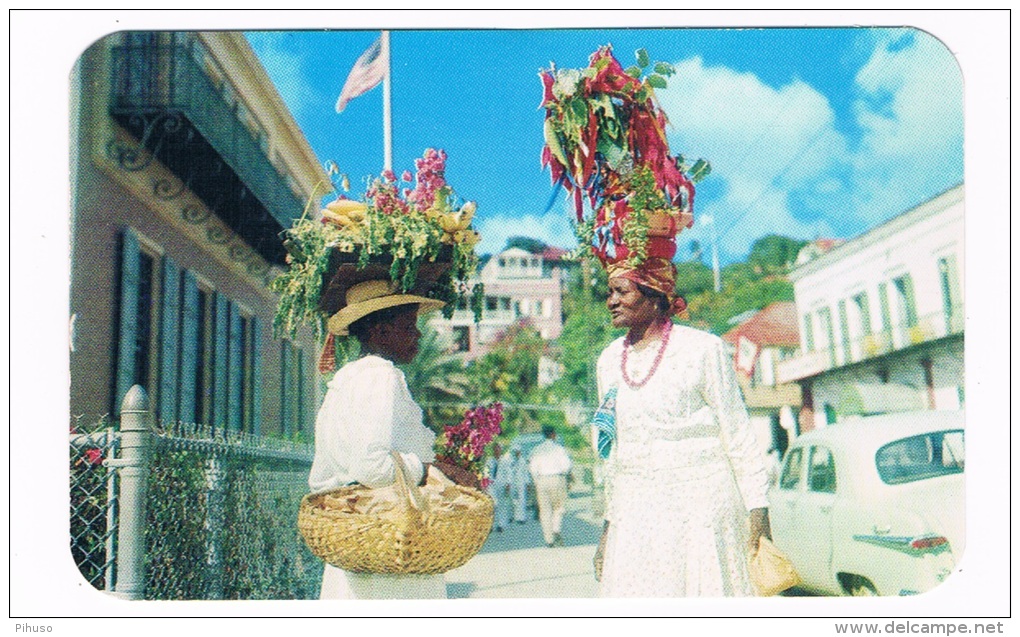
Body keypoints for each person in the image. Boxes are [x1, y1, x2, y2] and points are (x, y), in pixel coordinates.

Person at [591, 259, 772, 597]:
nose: (611, 300)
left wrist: (758, 508)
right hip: (636, 513)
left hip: (700, 511)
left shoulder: (702, 349)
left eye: (621, 291)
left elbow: (737, 432)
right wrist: (608, 529)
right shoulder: (608, 360)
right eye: (609, 292)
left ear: (654, 296)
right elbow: (614, 452)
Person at [308, 279, 479, 600]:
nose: (417, 335)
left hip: (358, 546)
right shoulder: (380, 375)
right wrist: (430, 470)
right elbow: (371, 467)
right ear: (381, 332)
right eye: (408, 326)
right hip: (388, 548)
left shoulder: (345, 381)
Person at [528, 426, 573, 547]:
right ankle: (556, 529)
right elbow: (567, 465)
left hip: (542, 480)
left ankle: (549, 539)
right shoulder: (559, 449)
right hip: (557, 479)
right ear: (553, 434)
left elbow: (532, 468)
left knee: (545, 510)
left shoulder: (537, 450)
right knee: (558, 507)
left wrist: (537, 481)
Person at [486, 443, 512, 532]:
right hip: (492, 483)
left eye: (498, 449)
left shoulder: (505, 460)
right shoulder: (489, 460)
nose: (497, 450)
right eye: (495, 449)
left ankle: (501, 524)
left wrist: (508, 484)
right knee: (493, 504)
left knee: (502, 504)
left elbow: (509, 472)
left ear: (501, 450)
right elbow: (486, 471)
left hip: (502, 483)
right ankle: (491, 525)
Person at [507, 446, 531, 524]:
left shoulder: (523, 461)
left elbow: (526, 473)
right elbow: (509, 472)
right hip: (512, 482)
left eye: (518, 451)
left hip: (521, 482)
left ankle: (521, 518)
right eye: (516, 451)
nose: (517, 453)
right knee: (512, 499)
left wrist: (527, 483)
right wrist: (508, 482)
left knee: (522, 499)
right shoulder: (510, 461)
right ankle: (511, 516)